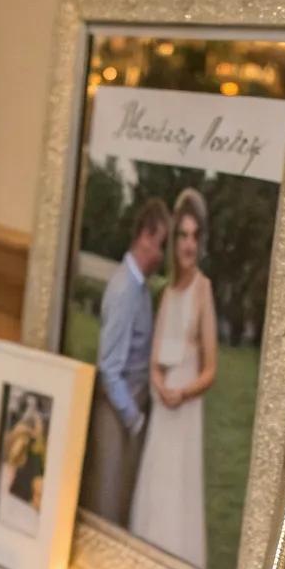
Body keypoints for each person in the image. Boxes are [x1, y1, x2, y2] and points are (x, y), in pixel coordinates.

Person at [129, 189, 218, 569]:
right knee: (157, 482)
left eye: (195, 236)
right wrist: (159, 384)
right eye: (182, 235)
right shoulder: (166, 293)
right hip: (163, 405)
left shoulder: (203, 289)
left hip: (185, 407)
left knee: (180, 485)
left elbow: (211, 369)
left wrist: (182, 392)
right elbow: (154, 359)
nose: (188, 244)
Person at [80, 198, 171, 526]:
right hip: (117, 414)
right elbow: (109, 369)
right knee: (109, 505)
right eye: (161, 245)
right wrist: (134, 419)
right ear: (145, 236)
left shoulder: (140, 287)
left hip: (128, 409)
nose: (162, 256)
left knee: (123, 502)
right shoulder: (125, 290)